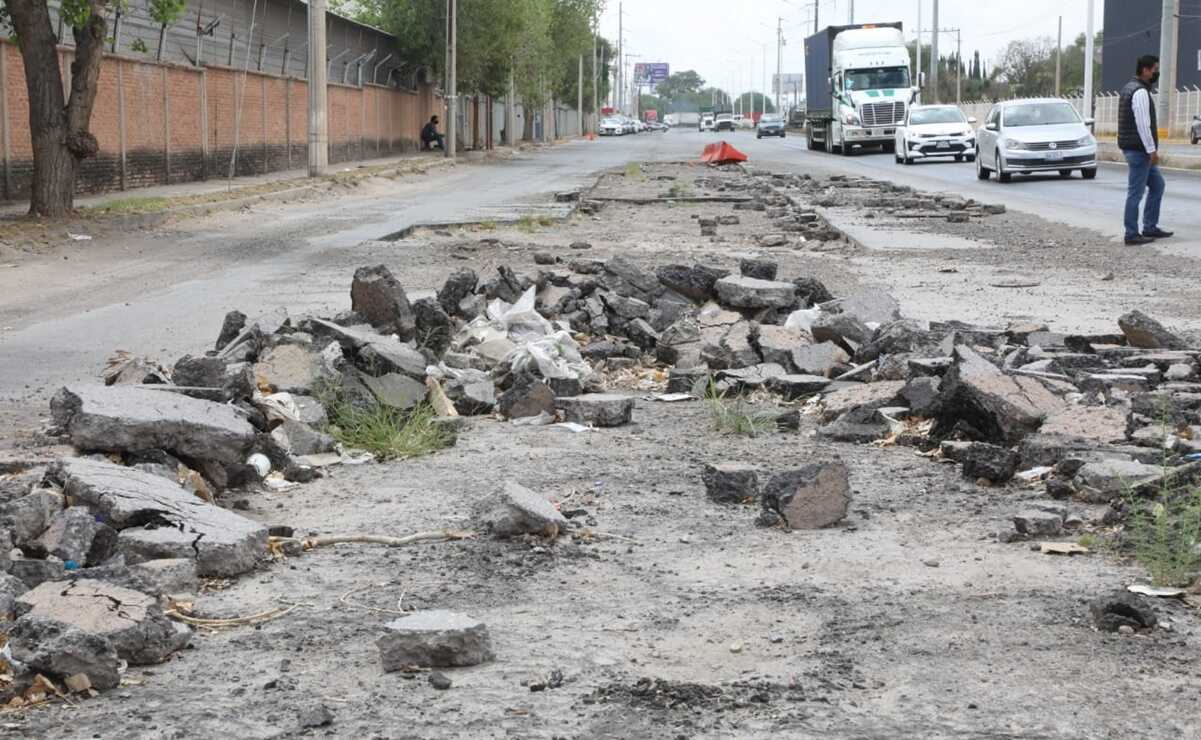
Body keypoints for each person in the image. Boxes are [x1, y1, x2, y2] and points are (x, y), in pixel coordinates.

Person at [1118, 55, 1173, 246]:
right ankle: (1131, 234)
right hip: (1139, 151)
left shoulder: (1129, 87)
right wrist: (1152, 151)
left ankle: (1150, 227)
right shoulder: (1140, 92)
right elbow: (1143, 124)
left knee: (1158, 185)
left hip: (1135, 148)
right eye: (1155, 69)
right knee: (1136, 193)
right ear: (1145, 70)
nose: (1156, 72)